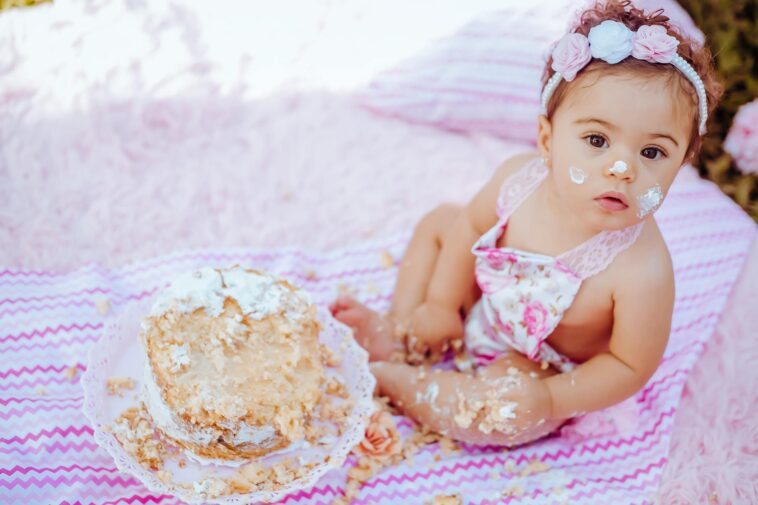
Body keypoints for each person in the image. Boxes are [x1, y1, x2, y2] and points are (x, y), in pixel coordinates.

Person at [330, 0, 723, 446]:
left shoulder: (642, 270)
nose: (622, 168)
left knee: (506, 414)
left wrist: (552, 398)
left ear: (682, 163)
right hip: (486, 300)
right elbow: (466, 230)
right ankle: (405, 330)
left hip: (537, 361)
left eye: (652, 153)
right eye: (596, 140)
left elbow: (629, 365)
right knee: (440, 222)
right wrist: (442, 303)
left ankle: (397, 381)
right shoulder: (518, 180)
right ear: (547, 140)